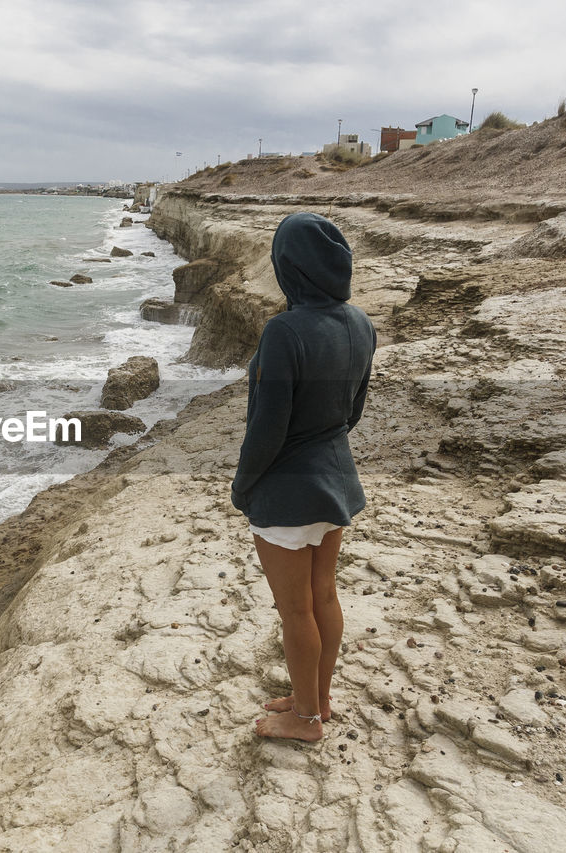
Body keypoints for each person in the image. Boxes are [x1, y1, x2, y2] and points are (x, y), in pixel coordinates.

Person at [230, 212, 376, 742]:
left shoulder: (284, 330)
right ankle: (318, 697)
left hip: (287, 490)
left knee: (295, 612)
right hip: (336, 480)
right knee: (324, 598)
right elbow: (353, 410)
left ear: (287, 265)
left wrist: (244, 485)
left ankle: (305, 720)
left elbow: (267, 427)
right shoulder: (361, 323)